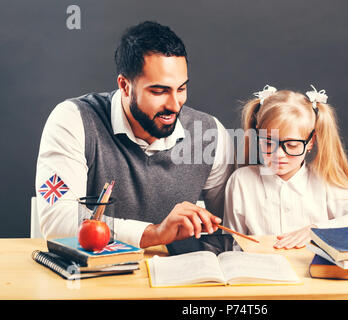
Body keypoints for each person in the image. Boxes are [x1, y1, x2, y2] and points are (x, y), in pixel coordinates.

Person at [35, 21, 234, 248]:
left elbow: (229, 226)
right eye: (159, 91)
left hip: (177, 277)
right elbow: (57, 221)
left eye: (181, 89)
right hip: (97, 278)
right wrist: (153, 233)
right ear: (125, 85)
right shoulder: (73, 120)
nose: (175, 104)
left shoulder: (211, 134)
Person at [223, 85, 348, 249]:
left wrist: (317, 230)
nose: (278, 154)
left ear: (310, 142)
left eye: (292, 145)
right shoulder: (241, 181)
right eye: (268, 142)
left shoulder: (323, 181)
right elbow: (232, 244)